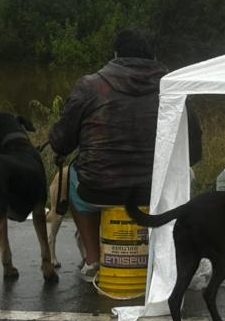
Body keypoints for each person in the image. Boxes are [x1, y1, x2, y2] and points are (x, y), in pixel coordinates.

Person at [48, 28, 201, 280]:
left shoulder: (90, 86)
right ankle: (170, 253)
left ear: (115, 54)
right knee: (187, 175)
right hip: (157, 191)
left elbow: (61, 143)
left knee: (73, 176)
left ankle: (93, 260)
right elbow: (193, 152)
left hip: (100, 190)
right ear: (154, 56)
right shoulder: (174, 88)